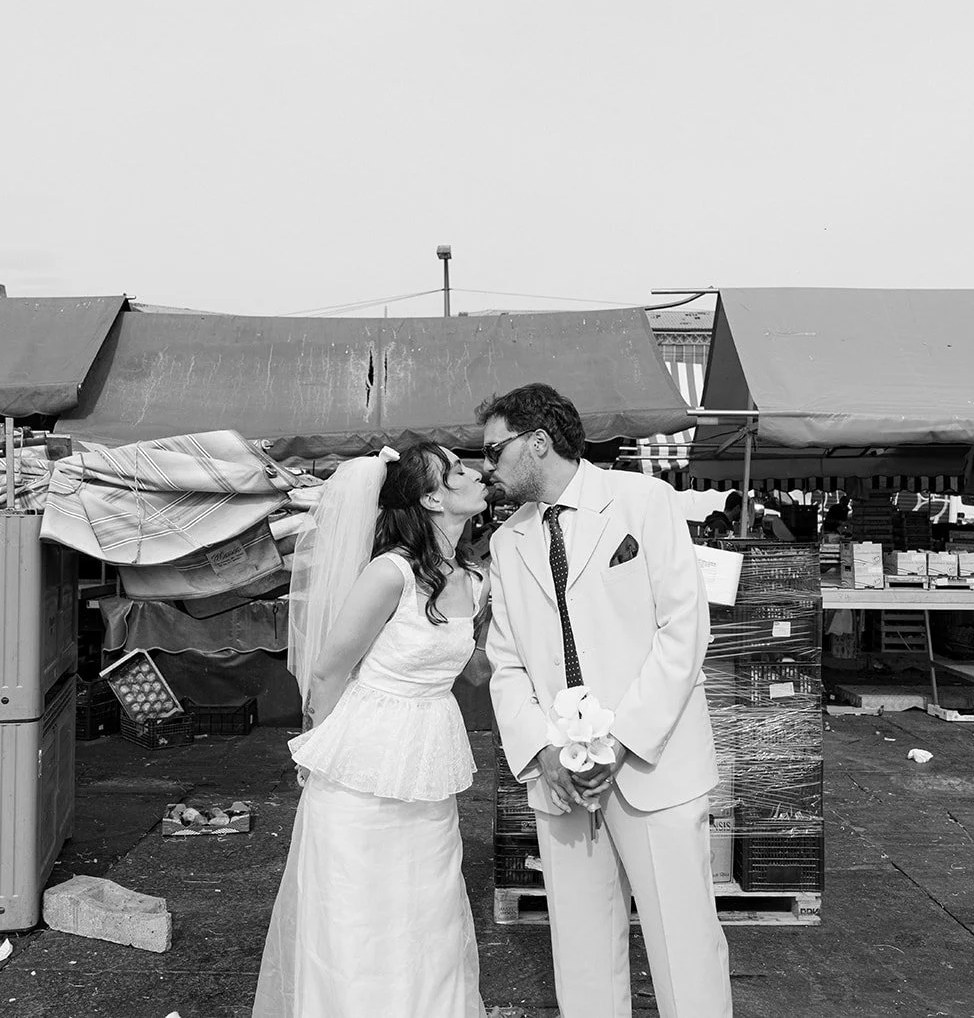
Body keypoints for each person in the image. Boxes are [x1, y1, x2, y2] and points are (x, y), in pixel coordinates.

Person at [478, 383, 732, 1018]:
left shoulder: (642, 500)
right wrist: (542, 752)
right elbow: (505, 662)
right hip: (560, 778)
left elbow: (684, 631)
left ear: (538, 441)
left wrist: (620, 741)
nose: (487, 467)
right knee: (581, 948)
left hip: (653, 764)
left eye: (493, 451)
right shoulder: (508, 541)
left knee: (684, 943)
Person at [252, 442, 491, 1017]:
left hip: (429, 757)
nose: (476, 472)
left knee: (429, 909)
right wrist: (316, 757)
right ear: (432, 497)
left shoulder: (475, 579)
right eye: (457, 470)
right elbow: (329, 670)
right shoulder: (389, 574)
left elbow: (477, 670)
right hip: (361, 764)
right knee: (358, 914)